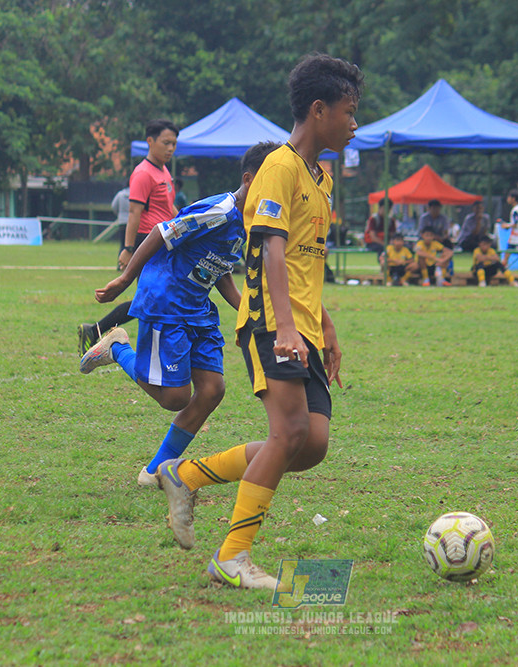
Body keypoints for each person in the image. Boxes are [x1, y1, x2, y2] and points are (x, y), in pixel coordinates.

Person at [153, 53, 361, 590]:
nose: (354, 123)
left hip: (304, 324)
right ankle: (234, 555)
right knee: (289, 432)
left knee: (310, 444)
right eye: (348, 111)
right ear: (319, 110)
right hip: (272, 322)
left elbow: (303, 260)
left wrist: (325, 324)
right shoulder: (280, 166)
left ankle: (187, 473)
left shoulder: (322, 179)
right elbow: (269, 249)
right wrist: (287, 327)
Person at [79, 142, 279, 485]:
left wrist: (250, 309)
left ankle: (156, 470)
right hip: (166, 301)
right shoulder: (220, 210)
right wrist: (126, 278)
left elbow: (220, 270)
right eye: (271, 184)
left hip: (198, 308)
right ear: (249, 180)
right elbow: (162, 231)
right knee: (175, 399)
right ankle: (115, 347)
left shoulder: (249, 223)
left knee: (213, 390)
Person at [77, 119, 179, 354]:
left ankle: (95, 331)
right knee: (152, 298)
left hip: (165, 243)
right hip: (148, 241)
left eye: (174, 143)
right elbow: (134, 213)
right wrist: (128, 248)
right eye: (166, 142)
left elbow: (168, 208)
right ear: (150, 141)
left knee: (154, 298)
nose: (171, 148)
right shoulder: (143, 173)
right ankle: (98, 332)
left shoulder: (163, 171)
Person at [110, 185, 130, 262]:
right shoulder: (136, 194)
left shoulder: (120, 194)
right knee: (131, 245)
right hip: (133, 222)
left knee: (122, 244)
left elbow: (114, 206)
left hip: (122, 222)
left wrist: (119, 214)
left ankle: (120, 264)